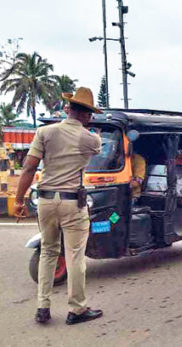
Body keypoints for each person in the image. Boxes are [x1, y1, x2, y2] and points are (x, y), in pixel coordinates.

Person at [14, 87, 103, 324]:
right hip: (73, 202)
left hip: (45, 200)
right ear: (87, 115)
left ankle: (42, 306)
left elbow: (29, 168)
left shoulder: (44, 132)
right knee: (75, 255)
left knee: (48, 252)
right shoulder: (91, 139)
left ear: (68, 108)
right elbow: (95, 146)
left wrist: (19, 200)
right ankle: (77, 309)